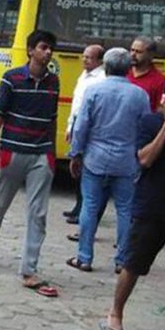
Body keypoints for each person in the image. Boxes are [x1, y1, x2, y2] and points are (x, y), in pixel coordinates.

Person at [0, 30, 60, 297]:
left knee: (39, 212)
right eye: (43, 47)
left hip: (42, 153)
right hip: (12, 151)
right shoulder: (12, 79)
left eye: (50, 49)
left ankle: (29, 269)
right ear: (30, 50)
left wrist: (52, 154)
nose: (48, 53)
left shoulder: (54, 82)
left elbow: (52, 118)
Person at [66, 48, 151, 274]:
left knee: (90, 207)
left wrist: (76, 154)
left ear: (106, 65)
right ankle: (122, 260)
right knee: (124, 211)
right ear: (128, 68)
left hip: (95, 158)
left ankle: (84, 257)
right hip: (126, 161)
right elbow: (144, 128)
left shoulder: (94, 91)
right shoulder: (139, 94)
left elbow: (82, 126)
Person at [99, 103, 165, 330]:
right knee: (134, 263)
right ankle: (115, 313)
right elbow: (146, 158)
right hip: (153, 206)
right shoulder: (150, 123)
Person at [63, 45, 106, 226]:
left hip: (88, 130)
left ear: (99, 61)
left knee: (85, 172)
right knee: (77, 170)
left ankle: (83, 210)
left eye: (89, 57)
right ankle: (77, 207)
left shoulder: (100, 79)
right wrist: (69, 127)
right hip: (77, 125)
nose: (84, 60)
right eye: (84, 56)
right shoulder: (84, 75)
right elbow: (76, 105)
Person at [128, 36, 165, 113]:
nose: (133, 54)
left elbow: (159, 111)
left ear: (150, 55)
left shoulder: (159, 81)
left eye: (139, 52)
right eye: (132, 50)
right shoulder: (123, 71)